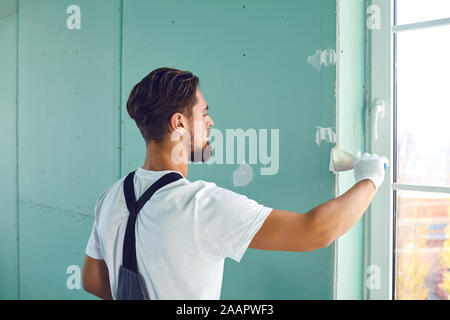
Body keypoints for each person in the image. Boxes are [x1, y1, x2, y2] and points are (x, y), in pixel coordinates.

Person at [82, 67, 388, 300]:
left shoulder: (110, 197)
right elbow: (315, 231)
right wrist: (370, 179)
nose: (211, 122)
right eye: (203, 113)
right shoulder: (201, 205)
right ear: (179, 122)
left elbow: (92, 280)